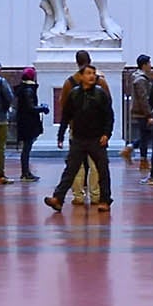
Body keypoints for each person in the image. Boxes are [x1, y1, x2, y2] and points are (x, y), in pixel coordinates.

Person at [44, 63, 114, 213]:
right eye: (88, 73)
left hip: (96, 139)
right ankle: (58, 198)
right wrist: (61, 135)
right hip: (79, 139)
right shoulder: (74, 93)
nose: (92, 76)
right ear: (81, 76)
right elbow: (66, 115)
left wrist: (107, 134)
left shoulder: (100, 93)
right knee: (70, 170)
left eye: (93, 73)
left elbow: (109, 115)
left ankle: (105, 200)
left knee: (102, 170)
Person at [12, 66, 48, 181]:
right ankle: (25, 173)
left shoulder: (23, 89)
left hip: (24, 121)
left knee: (26, 148)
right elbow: (30, 107)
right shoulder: (28, 89)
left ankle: (26, 172)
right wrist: (42, 108)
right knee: (27, 148)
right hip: (28, 122)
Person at [125, 53, 153, 163]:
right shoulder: (141, 79)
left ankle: (131, 148)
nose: (151, 65)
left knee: (145, 134)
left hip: (139, 110)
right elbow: (143, 98)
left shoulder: (136, 76)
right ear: (144, 65)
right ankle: (143, 159)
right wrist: (149, 114)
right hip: (142, 112)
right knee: (146, 135)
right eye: (149, 63)